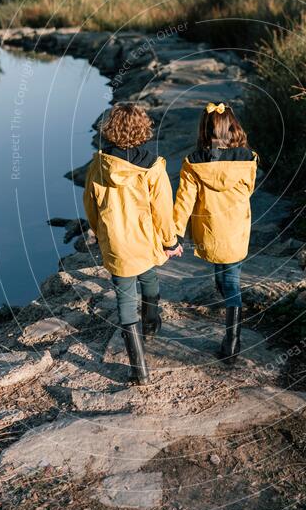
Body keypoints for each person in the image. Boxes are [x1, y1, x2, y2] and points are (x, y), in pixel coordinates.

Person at [83, 103, 182, 385]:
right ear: (143, 129)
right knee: (149, 274)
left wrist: (98, 231)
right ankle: (152, 321)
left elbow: (90, 203)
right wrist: (170, 240)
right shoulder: (152, 165)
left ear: (110, 129)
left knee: (125, 300)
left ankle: (139, 369)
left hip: (117, 241)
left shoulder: (99, 164)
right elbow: (163, 209)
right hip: (145, 239)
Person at [173, 102, 258, 365]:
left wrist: (174, 234)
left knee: (225, 279)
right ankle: (233, 339)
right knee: (230, 277)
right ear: (232, 127)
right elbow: (249, 190)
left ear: (204, 129)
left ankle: (232, 341)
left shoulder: (193, 163)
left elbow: (184, 202)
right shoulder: (248, 158)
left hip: (210, 229)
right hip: (236, 228)